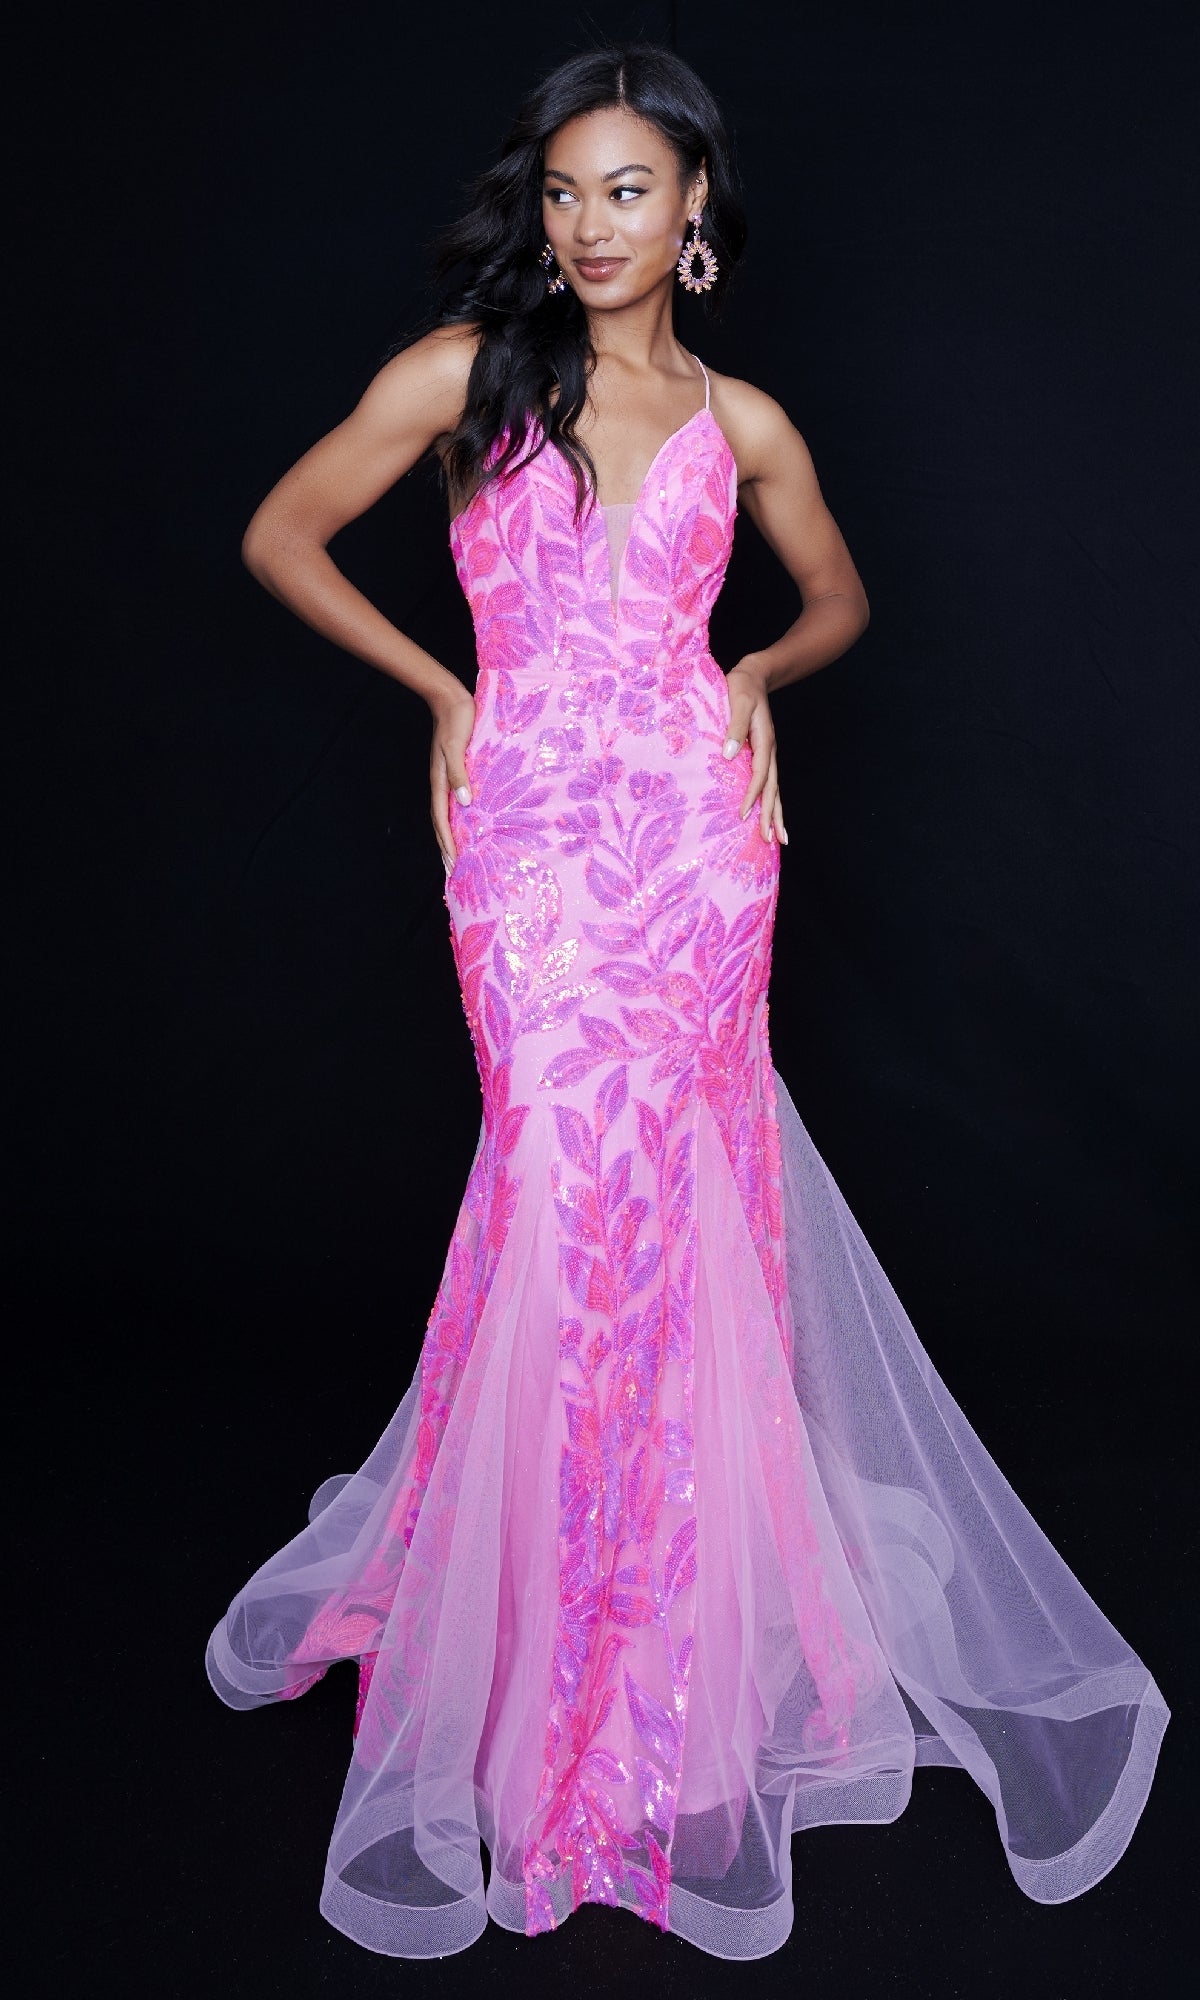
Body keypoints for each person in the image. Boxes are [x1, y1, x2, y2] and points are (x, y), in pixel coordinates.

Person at [206, 43, 1169, 1963]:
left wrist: (753, 679)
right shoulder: (465, 381)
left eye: (629, 190)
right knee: (565, 1182)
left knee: (684, 1203)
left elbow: (838, 605)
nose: (590, 224)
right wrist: (445, 694)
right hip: (536, 845)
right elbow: (278, 533)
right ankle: (555, 1656)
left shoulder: (748, 420)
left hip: (700, 845)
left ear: (696, 209)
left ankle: (682, 1634)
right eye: (567, 191)